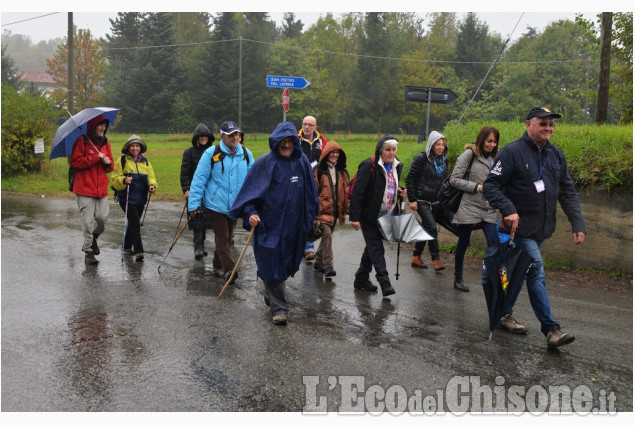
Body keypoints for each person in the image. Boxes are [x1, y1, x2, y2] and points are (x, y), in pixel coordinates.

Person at [483, 107, 586, 348]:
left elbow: (567, 191)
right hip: (518, 228)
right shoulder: (511, 152)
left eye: (551, 124)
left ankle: (503, 314)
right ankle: (552, 330)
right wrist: (508, 208)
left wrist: (578, 223)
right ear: (529, 124)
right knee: (537, 270)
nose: (548, 128)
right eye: (543, 124)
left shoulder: (556, 155)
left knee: (521, 272)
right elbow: (490, 186)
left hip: (542, 228)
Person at [229, 122, 318, 326]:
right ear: (276, 142)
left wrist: (311, 216)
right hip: (269, 226)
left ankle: (271, 289)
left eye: (290, 141)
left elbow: (310, 193)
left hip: (294, 225)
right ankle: (280, 309)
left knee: (285, 264)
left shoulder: (301, 162)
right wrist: (250, 213)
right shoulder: (264, 163)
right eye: (282, 142)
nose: (286, 145)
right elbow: (250, 195)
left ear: (295, 143)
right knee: (272, 261)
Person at [188, 121, 254, 283]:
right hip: (215, 204)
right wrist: (194, 204)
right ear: (222, 136)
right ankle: (229, 268)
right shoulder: (211, 153)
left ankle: (217, 265)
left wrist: (254, 202)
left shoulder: (246, 154)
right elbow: (199, 179)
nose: (235, 137)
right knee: (223, 237)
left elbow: (253, 179)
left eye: (237, 134)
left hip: (236, 204)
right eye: (231, 135)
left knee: (228, 235)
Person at [349, 135, 406, 298]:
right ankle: (384, 281)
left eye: (394, 149)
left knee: (372, 248)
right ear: (380, 150)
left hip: (385, 215)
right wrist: (354, 217)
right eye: (388, 149)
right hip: (369, 216)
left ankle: (361, 277)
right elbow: (358, 193)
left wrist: (400, 190)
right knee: (377, 248)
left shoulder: (397, 166)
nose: (391, 153)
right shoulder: (369, 165)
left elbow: (389, 185)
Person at [448, 126, 500, 292]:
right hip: (469, 205)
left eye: (494, 141)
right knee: (464, 242)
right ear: (481, 139)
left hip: (488, 207)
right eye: (489, 141)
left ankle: (496, 279)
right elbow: (454, 180)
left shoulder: (495, 158)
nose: (492, 144)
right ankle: (458, 277)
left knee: (495, 243)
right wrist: (477, 187)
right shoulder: (469, 155)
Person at [69, 115, 114, 265]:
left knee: (101, 219)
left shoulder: (106, 143)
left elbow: (111, 167)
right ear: (93, 126)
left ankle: (94, 239)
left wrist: (107, 162)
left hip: (101, 188)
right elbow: (74, 162)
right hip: (84, 188)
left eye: (104, 126)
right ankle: (88, 252)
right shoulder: (82, 140)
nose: (103, 128)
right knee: (87, 222)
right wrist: (95, 158)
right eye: (100, 125)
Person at [405, 130, 448, 272]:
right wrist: (412, 199)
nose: (441, 147)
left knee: (426, 228)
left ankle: (416, 257)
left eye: (442, 145)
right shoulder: (422, 158)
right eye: (438, 144)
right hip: (422, 200)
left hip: (436, 201)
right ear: (431, 145)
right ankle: (436, 259)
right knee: (432, 228)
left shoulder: (443, 161)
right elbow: (410, 179)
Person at [110, 135, 157, 262]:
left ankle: (126, 246)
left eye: (137, 146)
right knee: (135, 223)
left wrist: (152, 185)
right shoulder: (122, 161)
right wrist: (124, 180)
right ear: (128, 147)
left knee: (133, 222)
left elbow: (151, 177)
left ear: (140, 148)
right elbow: (114, 179)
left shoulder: (146, 162)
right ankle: (139, 250)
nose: (135, 148)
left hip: (141, 198)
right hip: (126, 198)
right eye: (132, 146)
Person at [312, 140, 350, 278]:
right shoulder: (318, 170)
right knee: (327, 234)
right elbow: (313, 190)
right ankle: (328, 266)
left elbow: (346, 191)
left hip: (335, 211)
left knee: (326, 237)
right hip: (321, 211)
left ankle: (318, 260)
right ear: (326, 153)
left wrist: (347, 208)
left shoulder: (342, 171)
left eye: (337, 152)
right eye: (332, 152)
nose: (334, 155)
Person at [180, 123, 215, 260]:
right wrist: (186, 189)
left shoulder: (213, 151)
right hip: (194, 190)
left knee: (206, 219)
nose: (204, 139)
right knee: (197, 218)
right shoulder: (189, 152)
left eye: (205, 136)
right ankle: (198, 248)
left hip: (209, 191)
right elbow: (184, 173)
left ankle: (201, 245)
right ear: (196, 138)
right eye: (201, 136)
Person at [298, 115, 327, 261]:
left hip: (316, 182)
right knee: (299, 213)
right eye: (305, 124)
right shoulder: (296, 139)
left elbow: (327, 158)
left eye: (310, 125)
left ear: (315, 127)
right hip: (299, 182)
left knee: (311, 212)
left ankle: (309, 248)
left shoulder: (322, 141)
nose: (307, 127)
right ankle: (301, 246)